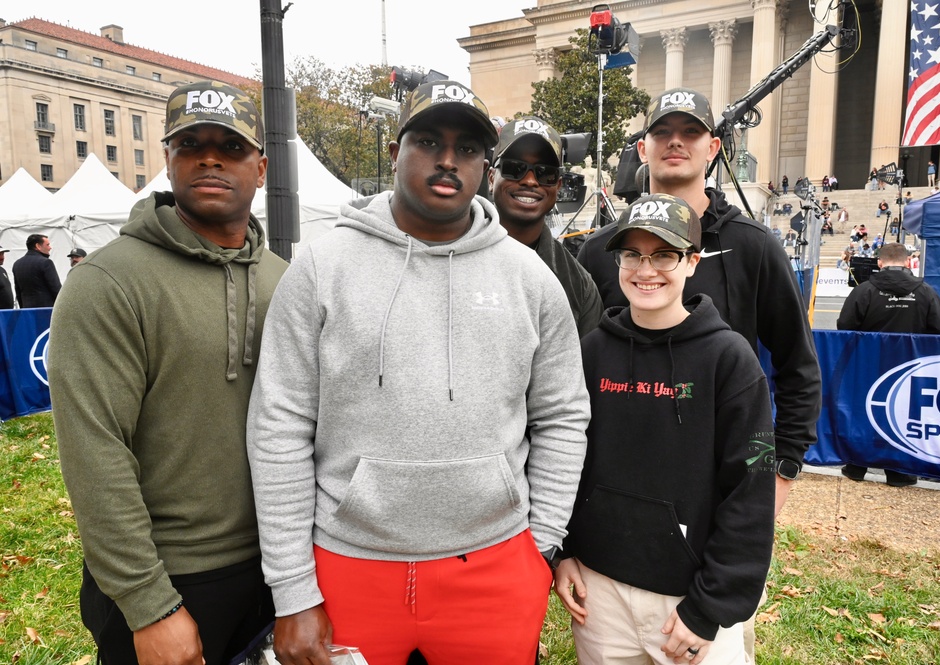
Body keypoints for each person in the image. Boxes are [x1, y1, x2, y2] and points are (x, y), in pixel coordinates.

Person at [246, 80, 590, 665]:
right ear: (395, 151)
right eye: (429, 140)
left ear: (485, 164)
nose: (449, 159)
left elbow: (562, 415)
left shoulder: (530, 280)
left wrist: (542, 545)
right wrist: (292, 590)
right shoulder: (321, 270)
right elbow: (278, 427)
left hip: (496, 565)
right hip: (348, 564)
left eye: (469, 148)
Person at [48, 80, 286, 665]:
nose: (209, 158)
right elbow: (95, 450)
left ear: (259, 167)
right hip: (169, 578)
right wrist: (148, 602)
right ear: (168, 159)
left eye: (229, 148)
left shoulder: (288, 281)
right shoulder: (108, 282)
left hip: (279, 569)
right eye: (191, 145)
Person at [576, 87, 820, 518]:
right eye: (662, 131)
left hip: (719, 485)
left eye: (690, 132)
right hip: (614, 483)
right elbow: (572, 372)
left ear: (712, 148)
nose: (675, 141)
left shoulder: (754, 246)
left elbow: (797, 367)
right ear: (642, 147)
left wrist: (781, 468)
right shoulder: (599, 251)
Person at [555, 193, 776, 665]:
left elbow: (750, 490)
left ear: (693, 261)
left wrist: (709, 607)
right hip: (600, 593)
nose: (645, 269)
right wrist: (565, 550)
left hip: (687, 602)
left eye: (664, 254)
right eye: (632, 254)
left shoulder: (730, 361)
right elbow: (564, 456)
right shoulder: (591, 351)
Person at [837, 243, 940, 487]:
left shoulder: (864, 290)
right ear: (908, 261)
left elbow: (844, 325)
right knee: (902, 414)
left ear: (879, 263)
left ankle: (856, 465)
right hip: (910, 365)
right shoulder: (925, 291)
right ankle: (899, 471)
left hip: (869, 364)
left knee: (865, 411)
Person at [489, 115, 603, 337]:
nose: (530, 181)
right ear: (492, 177)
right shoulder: (452, 254)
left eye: (545, 173)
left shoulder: (579, 284)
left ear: (558, 186)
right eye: (515, 168)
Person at [12, 234, 61, 308]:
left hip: (27, 310)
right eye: (47, 245)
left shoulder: (17, 264)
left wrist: (23, 309)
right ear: (38, 246)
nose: (50, 248)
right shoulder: (46, 263)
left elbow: (18, 291)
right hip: (46, 310)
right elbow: (56, 289)